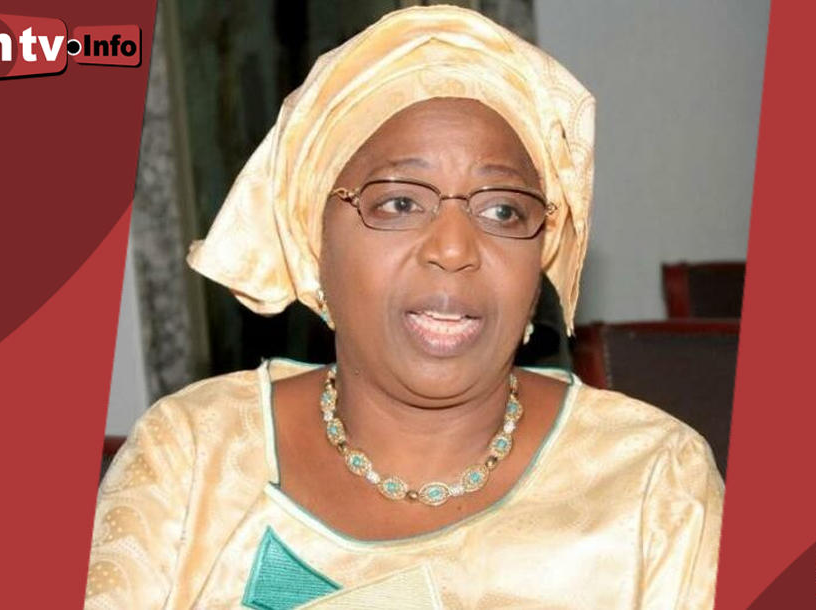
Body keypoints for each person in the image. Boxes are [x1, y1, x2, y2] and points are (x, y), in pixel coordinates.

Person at [86, 6, 723, 609]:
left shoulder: (655, 486)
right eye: (398, 203)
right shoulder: (193, 457)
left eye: (503, 210)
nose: (453, 248)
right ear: (316, 240)